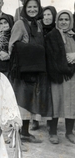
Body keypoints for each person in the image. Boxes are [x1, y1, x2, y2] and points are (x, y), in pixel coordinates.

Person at [8, 0, 53, 143]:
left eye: (35, 7)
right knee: (22, 100)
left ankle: (25, 133)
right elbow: (12, 46)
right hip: (24, 70)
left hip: (36, 69)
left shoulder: (38, 24)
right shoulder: (19, 24)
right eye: (29, 7)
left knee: (31, 100)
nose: (32, 9)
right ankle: (20, 133)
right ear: (24, 8)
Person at [45, 10, 75, 144]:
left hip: (72, 75)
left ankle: (69, 132)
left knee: (71, 102)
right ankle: (52, 132)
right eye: (61, 19)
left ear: (71, 21)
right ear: (56, 21)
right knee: (55, 103)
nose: (64, 22)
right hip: (57, 74)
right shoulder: (51, 35)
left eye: (66, 19)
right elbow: (50, 56)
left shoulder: (74, 35)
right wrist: (63, 63)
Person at [32, 5, 57, 130]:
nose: (46, 18)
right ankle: (35, 120)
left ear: (54, 16)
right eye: (45, 15)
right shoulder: (38, 28)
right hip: (39, 65)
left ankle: (50, 120)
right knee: (38, 93)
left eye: (49, 15)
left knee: (50, 94)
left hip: (52, 66)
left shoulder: (57, 29)